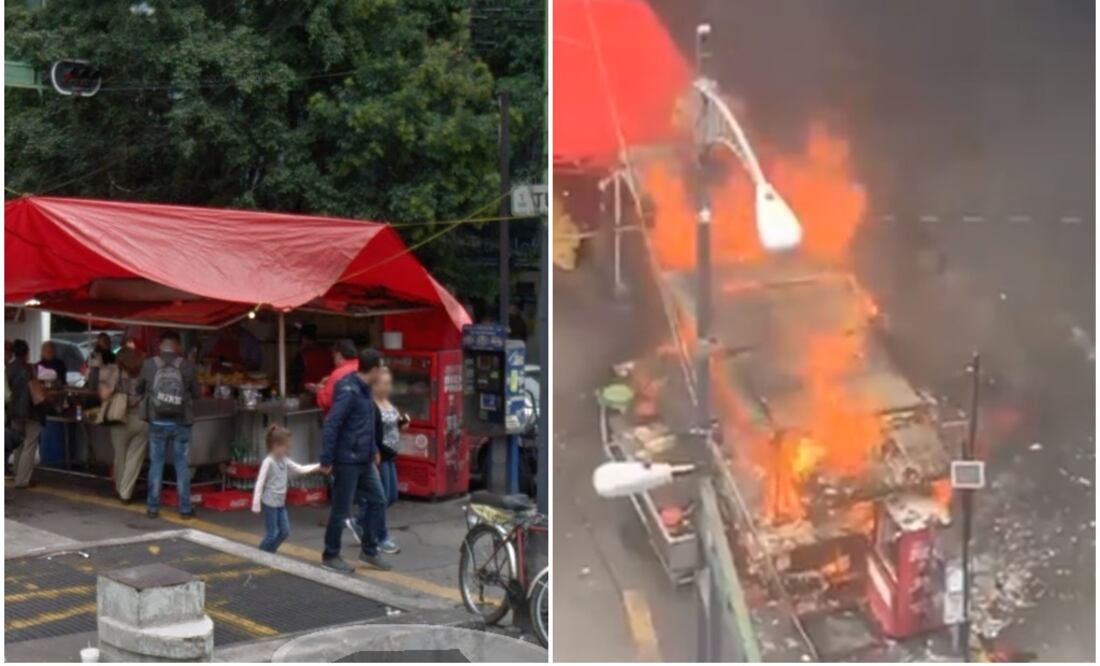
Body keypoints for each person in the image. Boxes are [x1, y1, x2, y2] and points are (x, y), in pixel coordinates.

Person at [319, 347, 389, 573]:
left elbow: (365, 423)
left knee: (378, 500)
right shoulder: (349, 390)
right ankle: (331, 555)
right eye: (381, 368)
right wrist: (327, 458)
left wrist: (373, 448)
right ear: (374, 369)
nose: (383, 373)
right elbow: (333, 423)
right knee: (341, 509)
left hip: (364, 458)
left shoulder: (364, 389)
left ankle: (369, 550)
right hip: (347, 459)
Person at [137, 330, 200, 519]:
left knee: (156, 463)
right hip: (181, 422)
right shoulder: (187, 366)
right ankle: (185, 508)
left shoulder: (149, 364)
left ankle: (153, 508)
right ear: (178, 346)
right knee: (181, 464)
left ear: (160, 346)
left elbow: (139, 389)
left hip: (157, 421)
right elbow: (197, 393)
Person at [251, 424, 322, 553]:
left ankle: (269, 552)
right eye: (286, 447)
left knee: (285, 532)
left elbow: (300, 469)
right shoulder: (268, 461)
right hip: (270, 503)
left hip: (280, 503)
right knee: (271, 533)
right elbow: (260, 483)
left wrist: (319, 466)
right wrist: (256, 504)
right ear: (276, 445)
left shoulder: (284, 459)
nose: (288, 450)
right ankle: (260, 555)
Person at [99, 347, 148, 503]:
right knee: (135, 457)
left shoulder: (116, 371)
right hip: (143, 419)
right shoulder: (145, 372)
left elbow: (104, 394)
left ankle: (121, 489)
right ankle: (126, 493)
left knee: (120, 455)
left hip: (121, 418)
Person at [370, 366, 408, 555]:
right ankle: (380, 536)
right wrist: (374, 451)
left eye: (389, 384)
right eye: (383, 384)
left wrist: (402, 423)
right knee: (382, 498)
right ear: (374, 385)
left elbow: (392, 425)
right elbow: (370, 431)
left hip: (391, 455)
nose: (387, 387)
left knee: (392, 495)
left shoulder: (387, 402)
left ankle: (361, 521)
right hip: (380, 456)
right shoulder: (371, 405)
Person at [6, 340, 42, 488]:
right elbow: (36, 390)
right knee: (30, 444)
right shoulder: (29, 368)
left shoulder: (8, 369)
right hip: (30, 411)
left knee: (18, 443)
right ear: (27, 353)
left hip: (14, 411)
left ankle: (17, 473)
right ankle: (22, 480)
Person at [312, 339, 358, 415]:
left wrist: (320, 390)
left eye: (333, 356)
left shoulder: (338, 373)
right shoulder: (362, 367)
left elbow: (326, 402)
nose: (333, 360)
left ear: (338, 355)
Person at [291, 324, 333, 394]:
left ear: (304, 338)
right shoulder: (328, 352)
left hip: (308, 391)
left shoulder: (302, 355)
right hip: (325, 390)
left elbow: (296, 377)